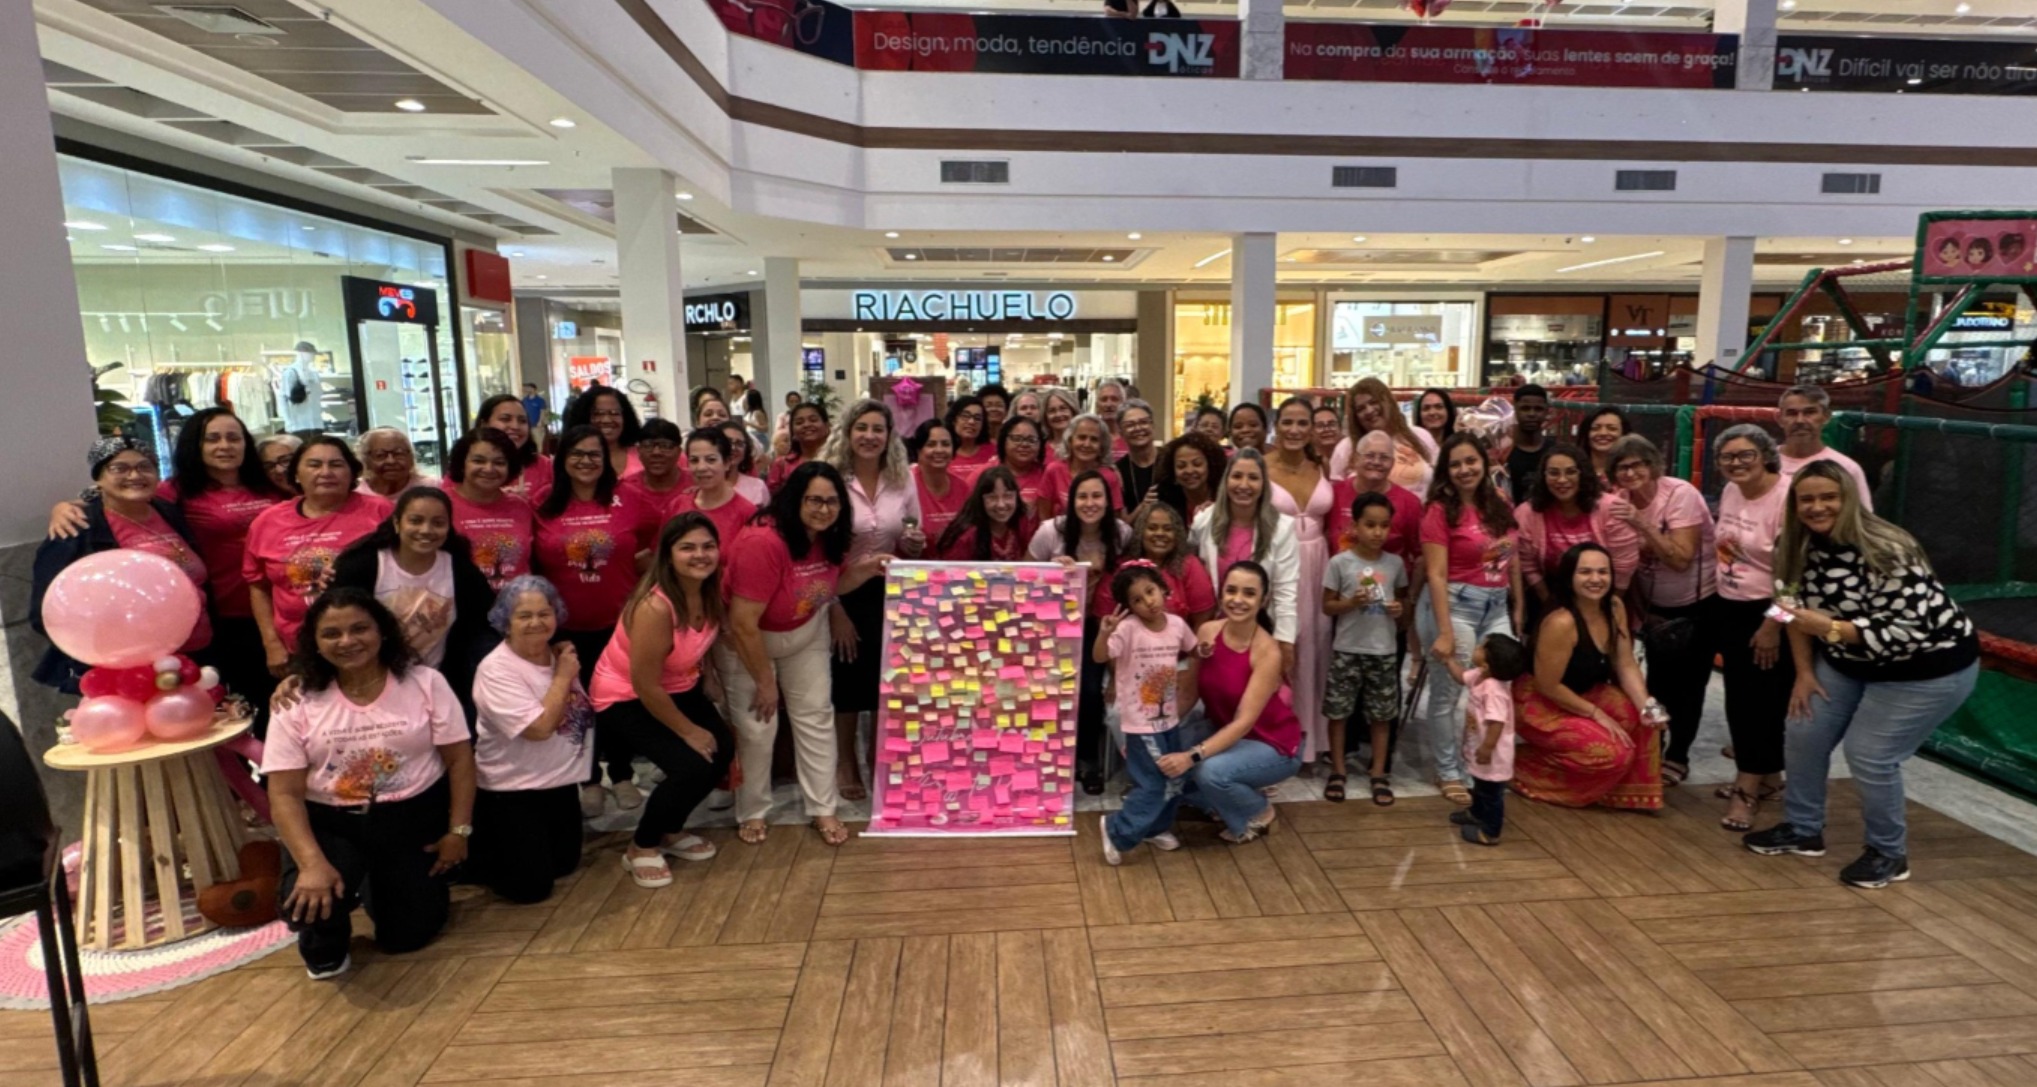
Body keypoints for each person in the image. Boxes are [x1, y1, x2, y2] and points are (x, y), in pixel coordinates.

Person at [1747, 463, 1979, 887]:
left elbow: (1906, 633)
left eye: (1828, 497)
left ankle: (1888, 853)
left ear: (1849, 498)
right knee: (1803, 728)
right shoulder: (1793, 544)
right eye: (1807, 499)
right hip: (1848, 660)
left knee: (1870, 753)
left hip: (1925, 666)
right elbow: (1790, 605)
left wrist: (1829, 629)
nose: (1818, 507)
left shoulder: (1888, 548)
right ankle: (1802, 828)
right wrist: (1802, 671)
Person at [263, 590, 474, 979]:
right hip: (331, 820)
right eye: (332, 634)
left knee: (408, 935)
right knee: (310, 907)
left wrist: (458, 831)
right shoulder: (296, 700)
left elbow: (460, 761)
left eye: (360, 628)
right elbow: (284, 793)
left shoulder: (425, 682)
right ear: (315, 642)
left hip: (409, 818)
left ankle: (379, 885)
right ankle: (328, 926)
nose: (347, 641)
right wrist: (312, 865)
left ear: (383, 632)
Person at [721, 462, 886, 847]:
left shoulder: (831, 536)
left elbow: (829, 585)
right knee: (758, 729)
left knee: (816, 719)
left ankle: (823, 807)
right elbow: (744, 622)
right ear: (795, 498)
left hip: (805, 632)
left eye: (832, 502)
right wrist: (765, 682)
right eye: (814, 500)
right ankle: (753, 810)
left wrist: (864, 569)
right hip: (750, 642)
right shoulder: (763, 542)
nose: (824, 509)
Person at [590, 514, 732, 887]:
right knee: (691, 764)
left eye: (707, 546)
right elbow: (645, 684)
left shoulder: (708, 589)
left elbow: (700, 644)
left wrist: (712, 681)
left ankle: (670, 829)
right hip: (624, 694)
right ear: (667, 556)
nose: (700, 555)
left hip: (677, 684)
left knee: (723, 748)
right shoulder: (654, 608)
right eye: (687, 548)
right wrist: (688, 732)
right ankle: (641, 845)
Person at [531, 425, 659, 814]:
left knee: (617, 703)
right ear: (561, 459)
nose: (586, 461)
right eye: (577, 454)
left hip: (618, 623)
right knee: (576, 705)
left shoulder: (629, 498)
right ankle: (587, 779)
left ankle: (621, 775)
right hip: (563, 626)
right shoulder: (542, 502)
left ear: (606, 461)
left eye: (594, 454)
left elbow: (658, 540)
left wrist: (641, 576)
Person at [32, 437, 212, 691]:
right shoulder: (78, 527)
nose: (134, 475)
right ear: (99, 478)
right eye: (119, 468)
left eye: (144, 467)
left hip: (197, 654)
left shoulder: (168, 511)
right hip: (130, 672)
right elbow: (47, 612)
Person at [824, 400, 925, 804]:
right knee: (847, 679)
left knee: (886, 678)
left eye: (878, 429)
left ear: (889, 436)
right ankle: (846, 759)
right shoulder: (831, 478)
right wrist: (833, 608)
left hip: (887, 591)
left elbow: (910, 538)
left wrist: (913, 544)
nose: (869, 436)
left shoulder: (902, 479)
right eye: (861, 428)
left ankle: (876, 751)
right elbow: (816, 552)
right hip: (840, 590)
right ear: (847, 433)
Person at [1512, 543, 1664, 811]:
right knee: (1611, 753)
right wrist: (1595, 713)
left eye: (1603, 572)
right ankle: (1514, 766)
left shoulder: (1615, 605)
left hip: (1583, 691)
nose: (1596, 579)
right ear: (1570, 578)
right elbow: (1548, 685)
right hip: (1541, 701)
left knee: (1644, 721)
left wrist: (1649, 706)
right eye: (1585, 572)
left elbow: (1625, 662)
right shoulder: (1561, 622)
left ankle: (1616, 791)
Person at [469, 576, 593, 904]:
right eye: (524, 616)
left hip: (559, 784)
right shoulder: (496, 670)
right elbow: (539, 729)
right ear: (505, 623)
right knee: (530, 890)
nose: (536, 622)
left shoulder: (557, 654)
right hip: (513, 791)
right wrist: (564, 677)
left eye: (544, 613)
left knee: (565, 865)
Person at [1416, 433, 1523, 807]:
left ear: (1483, 462)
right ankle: (1448, 770)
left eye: (1471, 461)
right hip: (1455, 603)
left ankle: (1484, 761)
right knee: (1448, 693)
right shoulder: (1438, 512)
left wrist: (1518, 605)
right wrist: (1445, 630)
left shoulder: (1500, 502)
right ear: (1446, 470)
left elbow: (1512, 556)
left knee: (1498, 689)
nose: (1465, 470)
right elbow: (1436, 575)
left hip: (1496, 604)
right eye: (1456, 464)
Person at [329, 486, 498, 713]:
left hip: (437, 683)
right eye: (416, 521)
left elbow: (486, 620)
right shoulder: (364, 566)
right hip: (370, 683)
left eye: (438, 523)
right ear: (397, 523)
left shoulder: (460, 570)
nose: (426, 530)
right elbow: (332, 624)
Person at [1606, 435, 1715, 786]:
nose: (1630, 472)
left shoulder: (1679, 494)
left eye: (1637, 464)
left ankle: (1679, 754)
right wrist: (1642, 612)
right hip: (1655, 606)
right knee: (1656, 682)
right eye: (1622, 467)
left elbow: (1681, 559)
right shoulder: (1619, 499)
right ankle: (1656, 747)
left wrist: (1640, 523)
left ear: (1653, 465)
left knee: (1690, 685)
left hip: (1698, 604)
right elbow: (1625, 565)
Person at [1175, 561, 1304, 843]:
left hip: (1273, 743)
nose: (1237, 600)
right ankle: (1223, 802)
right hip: (1227, 731)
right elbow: (1189, 692)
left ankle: (1260, 813)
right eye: (1231, 591)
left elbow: (1245, 723)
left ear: (1263, 600)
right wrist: (1156, 731)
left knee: (1207, 770)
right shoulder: (1208, 631)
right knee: (1164, 750)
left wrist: (1192, 755)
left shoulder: (1268, 651)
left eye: (1248, 593)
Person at [244, 437, 393, 680]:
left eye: (336, 464)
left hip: (369, 647)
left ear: (352, 472)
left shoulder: (381, 512)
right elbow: (258, 586)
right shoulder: (267, 522)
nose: (325, 472)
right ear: (297, 474)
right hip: (298, 650)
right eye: (314, 465)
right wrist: (271, 643)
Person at [1030, 469, 1133, 792]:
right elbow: (1024, 576)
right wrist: (1050, 573)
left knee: (1088, 689)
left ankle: (1086, 758)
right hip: (1051, 622)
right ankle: (1043, 754)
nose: (1090, 503)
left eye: (1097, 496)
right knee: (1046, 685)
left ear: (1108, 500)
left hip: (1097, 625)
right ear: (1071, 500)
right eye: (1083, 496)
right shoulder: (1051, 531)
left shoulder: (1121, 533)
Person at [1712, 424, 1793, 831]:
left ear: (1765, 455)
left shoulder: (1785, 498)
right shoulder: (1731, 491)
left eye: (1745, 455)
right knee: (1742, 698)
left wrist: (1774, 624)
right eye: (1727, 457)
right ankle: (1770, 779)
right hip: (1731, 605)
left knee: (1757, 705)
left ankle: (1747, 788)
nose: (1736, 463)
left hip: (1768, 613)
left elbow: (1795, 575)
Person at [1095, 563, 1201, 865]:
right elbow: (1100, 656)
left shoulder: (1178, 625)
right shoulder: (1127, 629)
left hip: (1168, 718)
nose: (1148, 602)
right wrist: (1105, 633)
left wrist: (1204, 652)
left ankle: (1154, 828)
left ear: (1163, 588)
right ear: (1128, 607)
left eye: (1150, 592)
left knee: (1175, 779)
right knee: (1154, 782)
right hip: (1142, 725)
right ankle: (1117, 829)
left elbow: (1194, 650)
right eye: (1137, 600)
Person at [1322, 492, 1408, 806]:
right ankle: (1339, 769)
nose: (1377, 532)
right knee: (1339, 712)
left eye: (1384, 525)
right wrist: (1351, 603)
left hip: (1383, 650)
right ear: (1354, 525)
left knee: (1382, 715)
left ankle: (1378, 773)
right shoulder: (1340, 562)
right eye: (1370, 524)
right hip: (1347, 648)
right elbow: (1327, 606)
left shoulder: (1395, 563)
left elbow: (1403, 601)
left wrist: (1400, 610)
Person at [1190, 449, 1299, 688]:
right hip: (1216, 632)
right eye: (1237, 476)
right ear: (1226, 480)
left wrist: (1285, 641)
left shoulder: (1283, 528)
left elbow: (1286, 591)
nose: (1244, 485)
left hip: (1260, 631)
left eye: (1253, 477)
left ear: (1264, 484)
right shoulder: (1203, 521)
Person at [1265, 397, 1335, 761]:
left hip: (1320, 563)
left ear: (1311, 428)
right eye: (1287, 422)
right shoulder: (1260, 467)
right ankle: (1279, 738)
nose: (1294, 430)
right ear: (1276, 426)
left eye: (1302, 423)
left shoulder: (1320, 465)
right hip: (1279, 564)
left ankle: (1315, 740)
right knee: (1284, 647)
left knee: (1318, 648)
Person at [1513, 441, 1640, 608]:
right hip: (1552, 596)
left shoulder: (1611, 508)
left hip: (1607, 597)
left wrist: (1608, 608)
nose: (1562, 480)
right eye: (1553, 473)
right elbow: (1528, 565)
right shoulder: (1527, 513)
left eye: (1571, 472)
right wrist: (1549, 605)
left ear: (1583, 474)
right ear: (1543, 476)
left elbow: (1624, 567)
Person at [1447, 634, 1530, 845]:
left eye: (1482, 647)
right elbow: (1461, 677)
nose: (1477, 647)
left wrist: (1487, 747)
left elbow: (1497, 722)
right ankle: (1476, 814)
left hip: (1492, 754)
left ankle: (1491, 831)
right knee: (1480, 785)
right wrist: (1448, 660)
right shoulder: (1480, 676)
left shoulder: (1494, 690)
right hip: (1480, 748)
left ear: (1486, 663)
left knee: (1491, 793)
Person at [441, 427, 533, 590]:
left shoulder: (521, 507)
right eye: (478, 461)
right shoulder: (440, 505)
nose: (489, 469)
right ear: (462, 464)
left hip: (516, 608)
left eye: (499, 462)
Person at [1328, 431, 1423, 581]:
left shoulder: (1410, 503)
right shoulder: (1334, 494)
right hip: (1341, 592)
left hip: (1392, 592)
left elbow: (1421, 556)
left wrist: (1410, 598)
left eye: (1384, 457)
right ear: (1356, 458)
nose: (1377, 462)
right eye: (1370, 455)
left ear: (1392, 463)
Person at [1331, 378, 1437, 494]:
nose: (1369, 410)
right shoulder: (1346, 448)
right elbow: (1337, 495)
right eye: (1361, 408)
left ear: (1388, 402)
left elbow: (1441, 479)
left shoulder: (1420, 436)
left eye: (1373, 402)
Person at [1777, 384, 1874, 509]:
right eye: (1792, 413)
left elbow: (1863, 520)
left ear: (1826, 417)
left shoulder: (1847, 468)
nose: (1800, 420)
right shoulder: (1762, 462)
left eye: (1809, 412)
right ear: (1779, 419)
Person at [1127, 502, 1215, 627]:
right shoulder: (1124, 567)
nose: (1160, 533)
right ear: (1140, 532)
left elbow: (1203, 620)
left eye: (1168, 529)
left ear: (1177, 535)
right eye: (1152, 528)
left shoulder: (1190, 565)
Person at [674, 427, 757, 551]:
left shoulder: (747, 513)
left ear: (727, 462)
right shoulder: (677, 505)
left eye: (711, 460)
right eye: (694, 460)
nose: (701, 467)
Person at [935, 466, 1036, 562]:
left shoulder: (1021, 522)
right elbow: (954, 575)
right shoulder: (966, 537)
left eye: (1008, 496)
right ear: (980, 500)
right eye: (992, 497)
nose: (1001, 505)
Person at [1043, 414, 1125, 518]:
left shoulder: (1109, 477)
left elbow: (1115, 520)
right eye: (1081, 437)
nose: (1087, 444)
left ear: (1101, 446)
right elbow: (1043, 516)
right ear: (1070, 441)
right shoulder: (1054, 470)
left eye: (1094, 439)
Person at [476, 393, 551, 496]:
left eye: (522, 421)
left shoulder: (545, 466)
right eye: (505, 419)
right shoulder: (467, 467)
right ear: (484, 424)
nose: (515, 426)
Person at [563, 385, 644, 480]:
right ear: (584, 417)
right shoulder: (571, 459)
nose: (607, 420)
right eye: (598, 413)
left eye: (614, 413)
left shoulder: (643, 455)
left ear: (626, 417)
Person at [907, 419, 967, 545]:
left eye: (945, 444)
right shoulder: (905, 484)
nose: (939, 450)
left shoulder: (963, 488)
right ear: (919, 450)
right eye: (931, 444)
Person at [619, 419, 689, 520]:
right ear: (639, 451)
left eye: (665, 446)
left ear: (678, 452)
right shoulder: (626, 490)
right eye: (648, 445)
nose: (656, 452)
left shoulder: (697, 484)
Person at [1153, 431, 1225, 526]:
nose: (1189, 471)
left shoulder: (1225, 498)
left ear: (1210, 465)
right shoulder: (1168, 505)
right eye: (1181, 466)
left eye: (1197, 464)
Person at [995, 416, 1054, 515]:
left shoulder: (1048, 474)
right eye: (1017, 439)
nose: (1024, 444)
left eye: (1031, 440)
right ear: (1003, 441)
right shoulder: (985, 473)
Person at [1502, 384, 1551, 502]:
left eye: (1538, 409)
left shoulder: (1555, 451)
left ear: (1546, 411)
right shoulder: (1501, 451)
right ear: (1515, 410)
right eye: (1525, 408)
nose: (1531, 414)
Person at [1113, 398, 1162, 510]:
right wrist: (1143, 507)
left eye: (1143, 422)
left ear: (1152, 425)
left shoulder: (1171, 460)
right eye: (1130, 425)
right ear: (1121, 432)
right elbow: (1121, 522)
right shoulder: (1118, 471)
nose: (1138, 428)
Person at [770, 401, 830, 491]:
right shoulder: (782, 465)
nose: (806, 425)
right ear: (792, 432)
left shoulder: (841, 461)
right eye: (799, 422)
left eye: (813, 420)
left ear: (826, 426)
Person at [357, 429, 430, 499]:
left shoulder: (432, 487)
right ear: (365, 460)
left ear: (411, 457)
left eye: (399, 453)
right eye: (380, 455)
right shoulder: (354, 492)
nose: (391, 461)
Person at [718, 419, 772, 506]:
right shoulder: (705, 486)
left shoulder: (758, 487)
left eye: (739, 443)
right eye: (727, 442)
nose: (733, 448)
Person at [274, 341, 325, 433]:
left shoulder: (314, 373)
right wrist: (288, 421)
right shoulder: (291, 372)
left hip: (316, 422)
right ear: (301, 353)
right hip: (298, 424)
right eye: (310, 353)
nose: (313, 356)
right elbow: (283, 397)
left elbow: (318, 396)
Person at [945, 395, 997, 478]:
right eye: (965, 416)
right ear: (954, 420)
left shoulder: (994, 451)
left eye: (977, 418)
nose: (971, 422)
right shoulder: (944, 452)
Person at [1578, 406, 1629, 483]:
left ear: (1624, 434)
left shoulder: (1632, 474)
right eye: (1595, 428)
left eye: (1612, 428)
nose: (1603, 433)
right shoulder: (1575, 471)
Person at [1094, 380, 1130, 458]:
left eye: (1114, 399)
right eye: (1104, 399)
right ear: (1097, 405)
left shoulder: (1130, 436)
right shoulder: (1091, 436)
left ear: (1123, 403)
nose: (1109, 404)